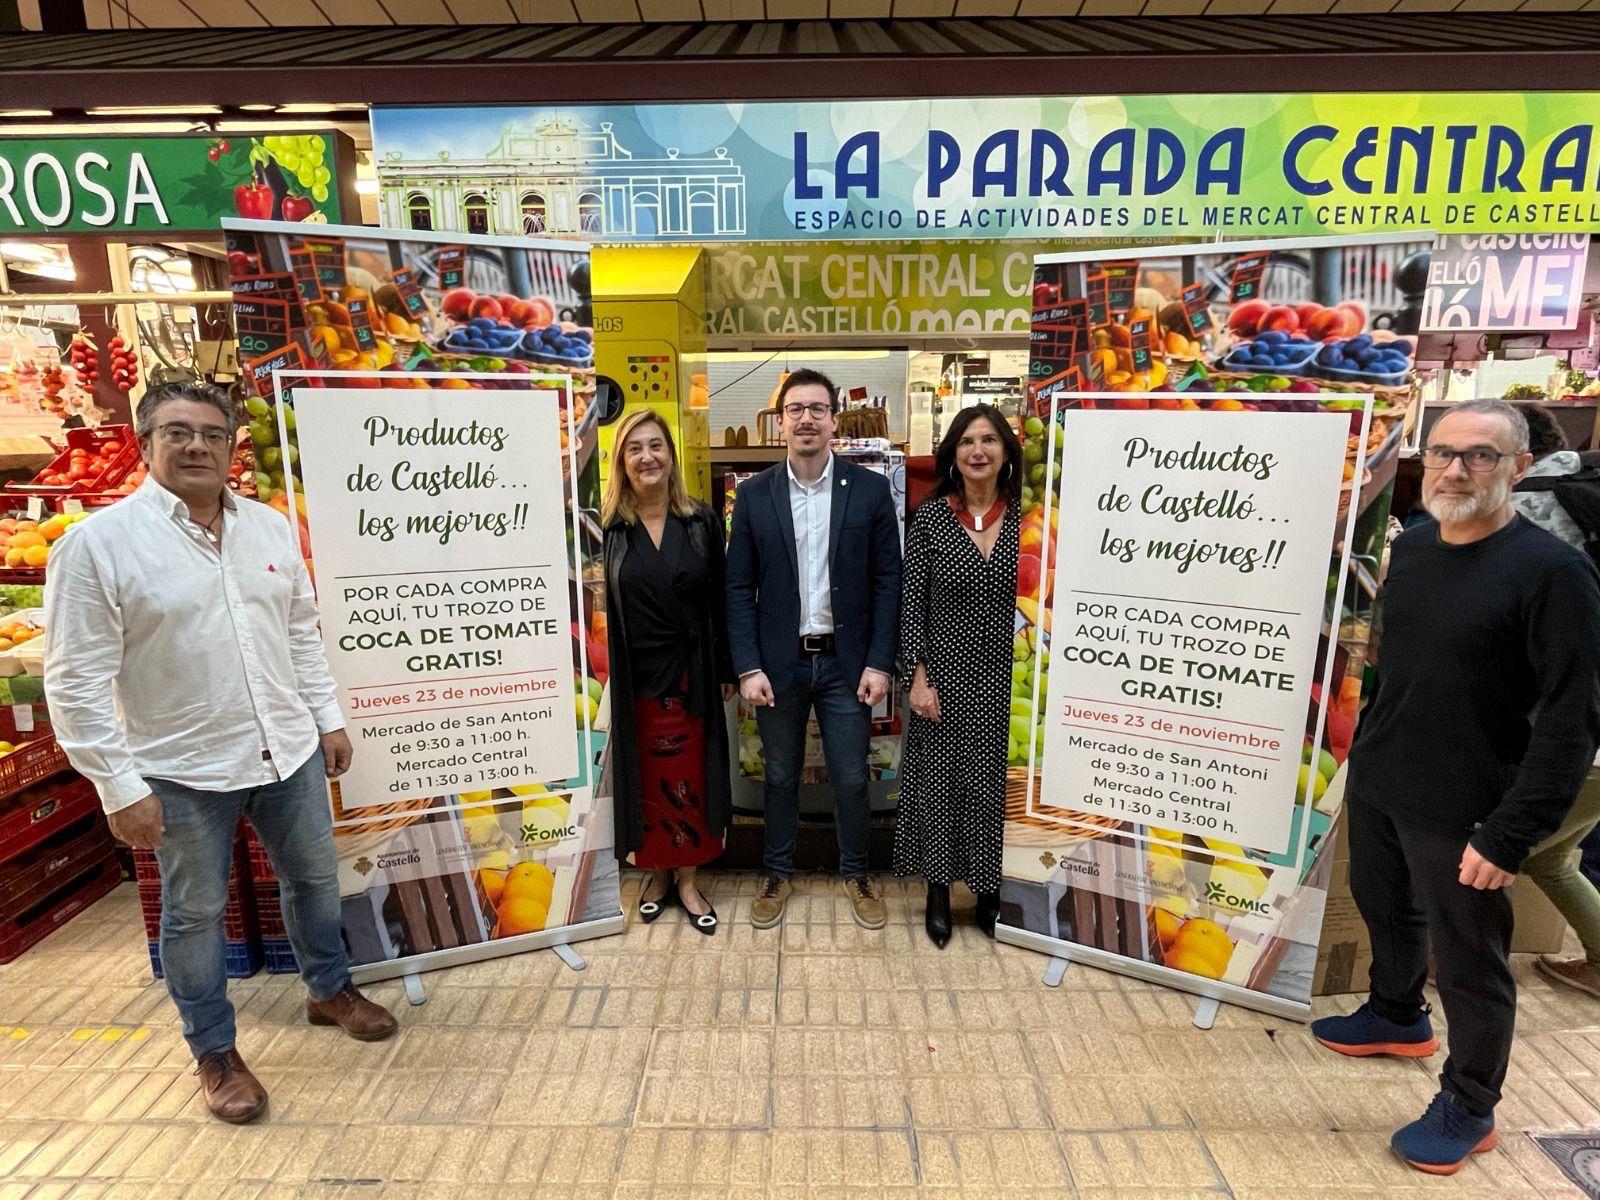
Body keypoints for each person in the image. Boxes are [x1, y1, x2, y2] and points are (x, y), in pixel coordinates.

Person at [44, 381, 397, 1126]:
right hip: (178, 770)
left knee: (312, 882)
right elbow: (73, 680)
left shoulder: (267, 529)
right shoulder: (97, 546)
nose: (197, 445)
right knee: (194, 916)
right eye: (177, 432)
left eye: (211, 432)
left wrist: (327, 719)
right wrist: (116, 786)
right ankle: (213, 1050)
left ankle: (328, 990)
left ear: (233, 446)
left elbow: (300, 632)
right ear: (147, 443)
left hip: (286, 752)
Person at [1310, 399, 1600, 1176]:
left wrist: (1509, 833)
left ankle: (1470, 1105)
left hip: (1471, 799)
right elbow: (1394, 663)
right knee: (1385, 906)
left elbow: (1572, 721)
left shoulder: (1555, 573)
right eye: (1442, 453)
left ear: (1519, 467)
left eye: (1480, 455)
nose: (1456, 469)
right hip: (1384, 775)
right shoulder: (1420, 548)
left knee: (1471, 960)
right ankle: (1397, 1014)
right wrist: (1363, 751)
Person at [725, 368, 902, 930]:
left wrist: (879, 660)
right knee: (780, 775)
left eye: (817, 408)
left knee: (851, 776)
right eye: (796, 409)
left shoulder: (870, 491)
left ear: (833, 420)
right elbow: (737, 586)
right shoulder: (753, 495)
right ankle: (777, 873)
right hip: (779, 664)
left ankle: (857, 873)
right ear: (781, 422)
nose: (806, 418)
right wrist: (748, 665)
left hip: (848, 664)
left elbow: (887, 582)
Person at [602, 409, 735, 935]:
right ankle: (655, 875)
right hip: (638, 679)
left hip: (694, 674)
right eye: (635, 448)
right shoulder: (608, 528)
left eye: (656, 446)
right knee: (650, 779)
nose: (647, 457)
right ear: (621, 462)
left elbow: (722, 599)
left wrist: (726, 665)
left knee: (692, 777)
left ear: (671, 457)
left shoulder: (700, 520)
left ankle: (686, 879)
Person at [896, 404, 1021, 947]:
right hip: (943, 675)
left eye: (989, 440)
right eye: (968, 441)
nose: (978, 451)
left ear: (1005, 453)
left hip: (1006, 677)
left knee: (993, 787)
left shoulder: (1027, 519)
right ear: (953, 453)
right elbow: (911, 606)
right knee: (940, 784)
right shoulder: (930, 518)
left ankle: (991, 892)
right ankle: (940, 890)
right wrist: (917, 678)